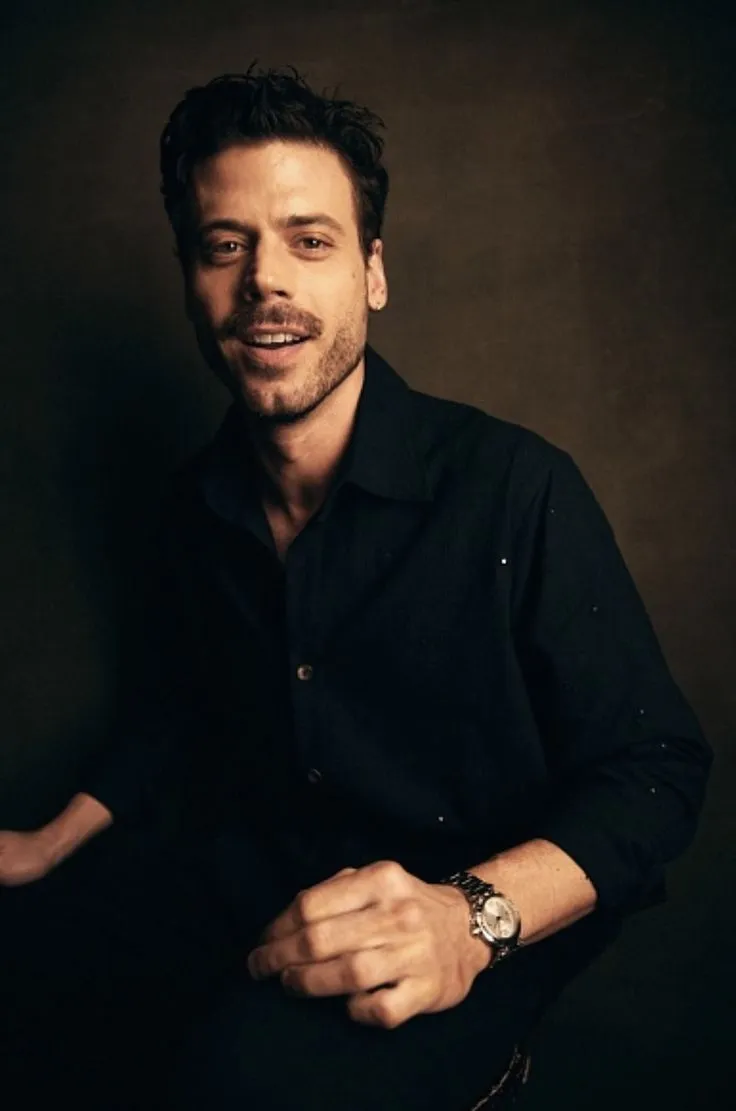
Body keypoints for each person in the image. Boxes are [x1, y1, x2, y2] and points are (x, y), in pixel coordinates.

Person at [0, 66, 713, 1111]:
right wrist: (43, 845)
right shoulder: (192, 505)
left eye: (309, 240)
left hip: (465, 918)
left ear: (372, 273)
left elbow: (656, 769)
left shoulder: (514, 486)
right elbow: (174, 711)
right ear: (191, 278)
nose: (263, 284)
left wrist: (470, 917)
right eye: (224, 245)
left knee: (235, 1084)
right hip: (260, 879)